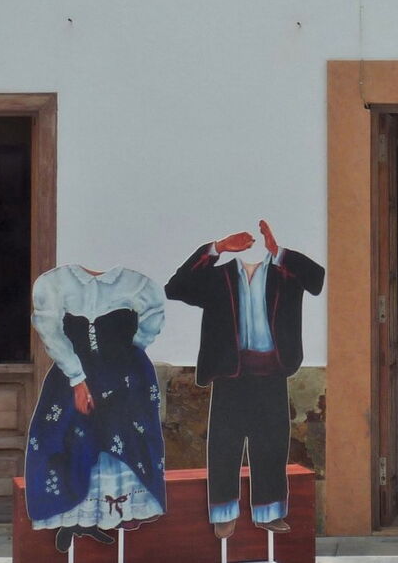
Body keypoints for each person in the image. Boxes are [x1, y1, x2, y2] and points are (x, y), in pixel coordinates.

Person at [165, 220, 324, 538]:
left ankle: (269, 511)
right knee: (224, 446)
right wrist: (217, 248)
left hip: (272, 372)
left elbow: (317, 279)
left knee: (271, 445)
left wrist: (279, 252)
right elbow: (176, 288)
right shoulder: (218, 278)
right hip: (230, 373)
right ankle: (223, 511)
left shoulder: (285, 275)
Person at [24, 265, 168, 553]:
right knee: (70, 439)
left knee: (121, 440)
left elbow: (152, 321)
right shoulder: (56, 283)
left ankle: (106, 517)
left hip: (125, 379)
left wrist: (126, 355)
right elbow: (51, 334)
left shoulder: (137, 283)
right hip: (71, 379)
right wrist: (77, 378)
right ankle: (75, 520)